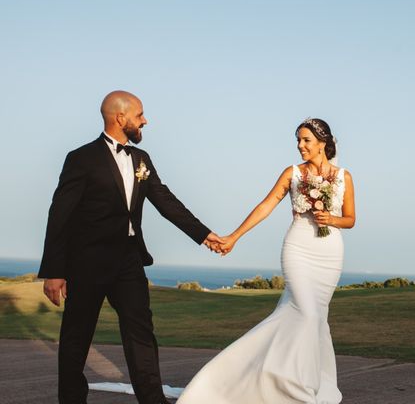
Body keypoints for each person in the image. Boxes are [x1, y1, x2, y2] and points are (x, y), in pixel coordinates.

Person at [38, 90, 222, 404]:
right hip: (86, 263)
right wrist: (54, 271)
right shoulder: (81, 158)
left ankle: (152, 400)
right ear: (120, 118)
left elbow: (166, 202)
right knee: (76, 338)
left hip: (129, 262)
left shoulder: (141, 159)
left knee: (141, 335)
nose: (144, 120)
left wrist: (205, 235)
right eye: (139, 115)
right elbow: (60, 216)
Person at [176, 117, 356, 404]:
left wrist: (330, 218)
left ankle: (307, 382)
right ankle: (294, 390)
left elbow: (351, 219)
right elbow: (266, 205)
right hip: (298, 248)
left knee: (317, 320)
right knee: (307, 313)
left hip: (330, 252)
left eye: (306, 140)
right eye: (298, 140)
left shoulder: (344, 176)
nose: (300, 145)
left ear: (323, 143)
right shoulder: (292, 173)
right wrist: (234, 236)